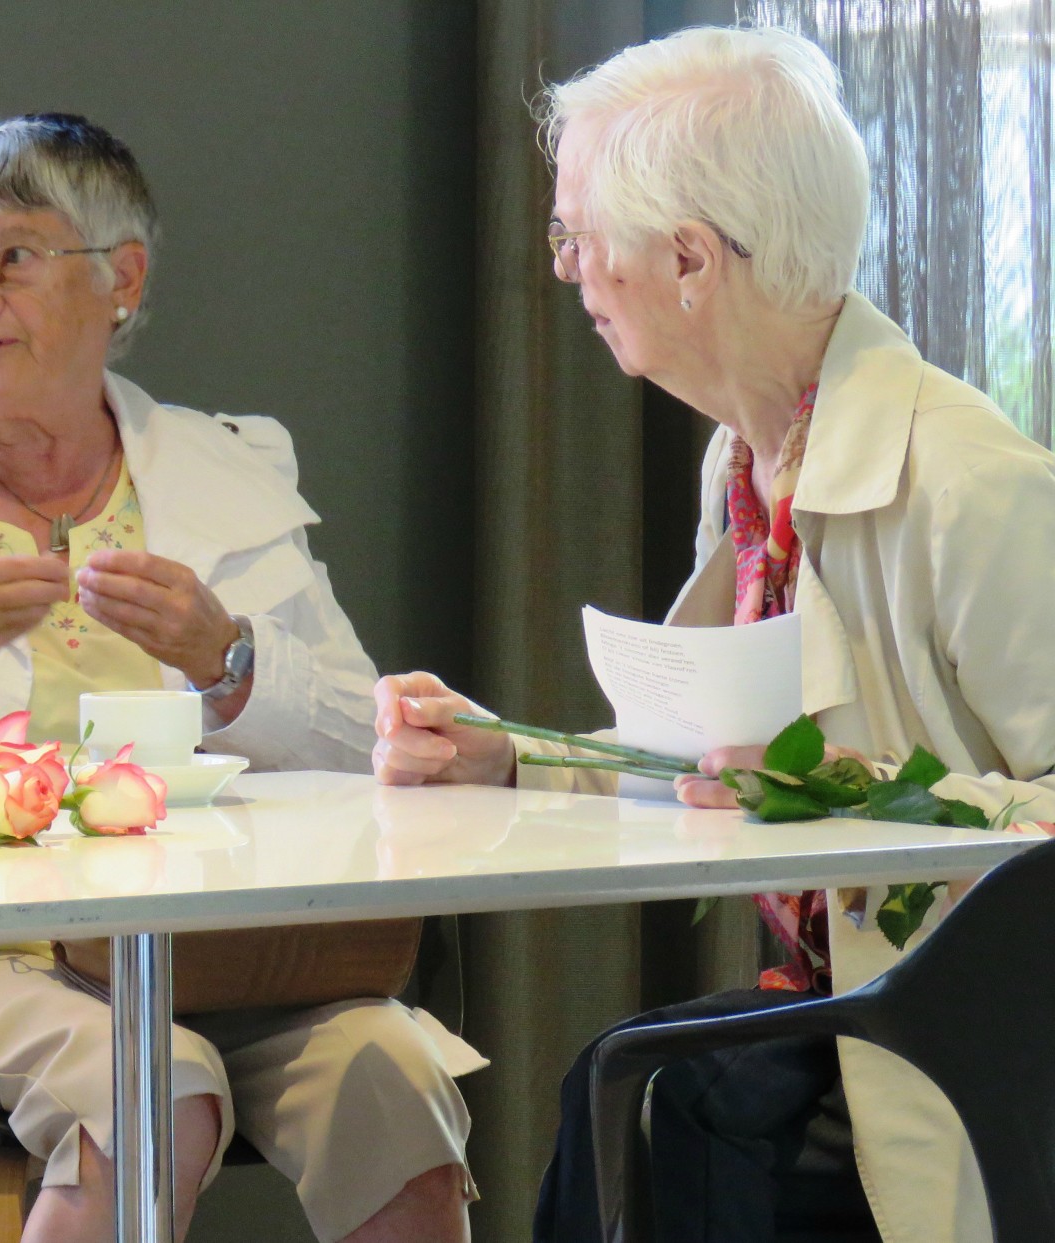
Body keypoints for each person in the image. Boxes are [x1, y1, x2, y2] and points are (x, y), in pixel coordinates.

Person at [0, 113, 485, 1243]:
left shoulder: (221, 470)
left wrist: (229, 658)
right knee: (150, 1083)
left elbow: (370, 745)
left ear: (122, 279)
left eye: (10, 256)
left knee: (392, 1078)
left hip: (208, 948)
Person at [370, 26, 1055, 1243]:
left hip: (983, 1041)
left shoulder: (966, 480)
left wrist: (849, 794)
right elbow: (714, 745)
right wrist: (509, 751)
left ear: (688, 259)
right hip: (859, 1007)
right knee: (633, 1081)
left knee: (668, 1093)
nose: (567, 272)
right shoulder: (749, 459)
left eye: (576, 236)